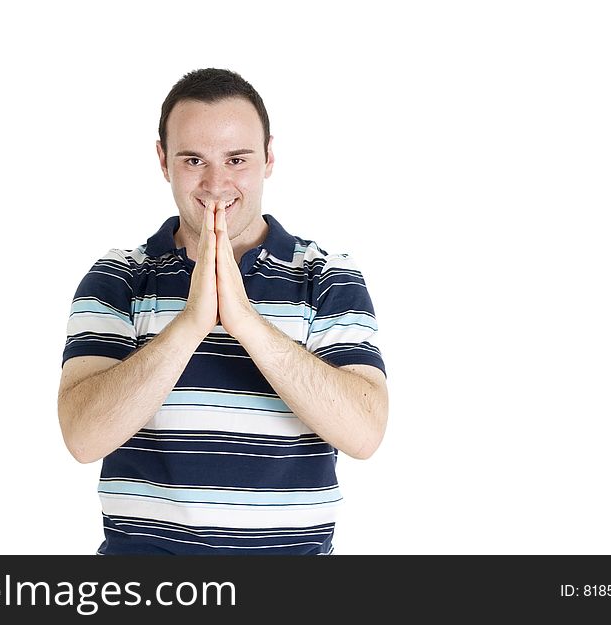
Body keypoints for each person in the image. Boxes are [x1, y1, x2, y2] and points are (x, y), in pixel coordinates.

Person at [57, 68, 388, 555]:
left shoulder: (326, 276)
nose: (216, 183)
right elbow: (83, 439)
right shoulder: (118, 279)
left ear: (269, 158)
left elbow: (365, 434)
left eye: (237, 159)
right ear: (163, 161)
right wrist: (191, 323)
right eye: (194, 159)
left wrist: (246, 323)